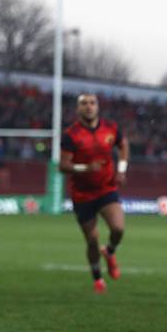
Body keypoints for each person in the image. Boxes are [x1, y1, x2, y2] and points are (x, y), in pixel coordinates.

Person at [59, 93, 129, 293]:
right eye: (84, 103)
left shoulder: (110, 128)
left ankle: (109, 252)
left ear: (97, 107)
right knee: (91, 239)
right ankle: (98, 278)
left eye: (92, 103)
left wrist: (122, 170)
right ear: (78, 109)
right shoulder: (71, 134)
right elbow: (63, 166)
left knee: (118, 229)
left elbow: (123, 145)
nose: (88, 107)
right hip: (82, 194)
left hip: (106, 188)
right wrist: (85, 168)